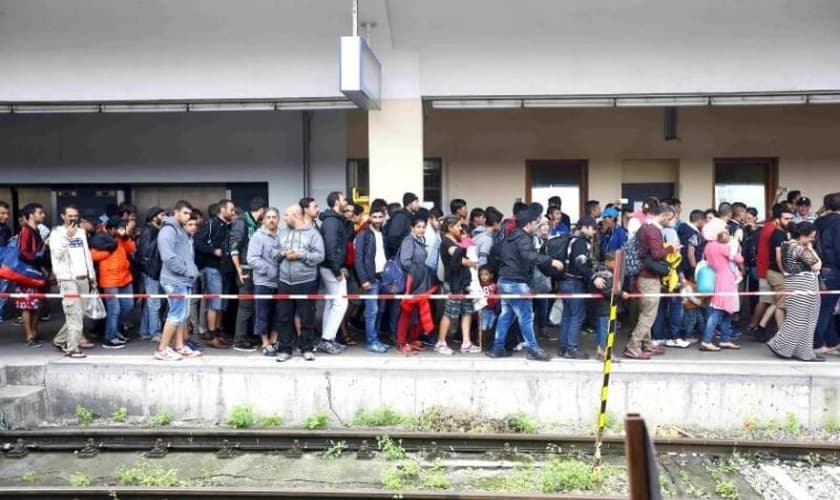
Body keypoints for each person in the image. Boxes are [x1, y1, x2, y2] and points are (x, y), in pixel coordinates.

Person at [487, 205, 563, 361]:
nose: (537, 226)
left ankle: (498, 348)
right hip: (516, 283)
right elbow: (528, 255)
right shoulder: (523, 238)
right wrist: (550, 261)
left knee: (506, 316)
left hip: (504, 281)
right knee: (526, 317)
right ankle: (533, 350)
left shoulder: (510, 237)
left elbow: (495, 252)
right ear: (528, 224)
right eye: (536, 223)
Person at [625, 203, 677, 359]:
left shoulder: (644, 227)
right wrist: (671, 248)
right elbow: (656, 254)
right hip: (649, 277)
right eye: (671, 218)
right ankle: (633, 345)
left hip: (642, 275)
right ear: (665, 215)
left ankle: (647, 344)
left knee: (645, 312)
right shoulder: (654, 231)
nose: (672, 221)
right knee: (649, 314)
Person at [275, 204, 325, 362]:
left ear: (295, 215)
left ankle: (307, 348)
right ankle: (284, 349)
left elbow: (319, 256)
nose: (283, 218)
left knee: (306, 317)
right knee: (283, 317)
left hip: (306, 281)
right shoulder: (281, 233)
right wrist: (281, 253)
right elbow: (273, 253)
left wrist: (300, 255)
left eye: (286, 215)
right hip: (284, 281)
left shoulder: (313, 234)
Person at [767, 222, 823, 361]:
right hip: (803, 285)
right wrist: (811, 249)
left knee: (803, 318)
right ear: (802, 235)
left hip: (795, 284)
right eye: (811, 237)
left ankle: (803, 352)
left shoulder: (786, 245)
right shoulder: (799, 249)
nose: (812, 240)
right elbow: (817, 265)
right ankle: (779, 345)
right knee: (800, 320)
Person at [155, 200, 202, 361]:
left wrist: (190, 272)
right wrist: (187, 271)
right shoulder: (168, 231)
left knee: (182, 315)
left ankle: (179, 346)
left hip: (183, 280)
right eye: (185, 213)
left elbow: (185, 256)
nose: (188, 216)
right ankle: (162, 349)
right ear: (176, 213)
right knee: (176, 314)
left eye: (190, 213)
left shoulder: (180, 230)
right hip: (174, 280)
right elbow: (168, 257)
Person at [50, 204, 97, 358]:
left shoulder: (82, 232)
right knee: (73, 313)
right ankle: (72, 348)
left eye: (75, 215)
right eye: (70, 216)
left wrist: (92, 277)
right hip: (67, 279)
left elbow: (86, 255)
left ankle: (60, 339)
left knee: (80, 313)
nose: (73, 218)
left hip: (83, 277)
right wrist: (67, 236)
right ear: (63, 216)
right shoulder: (57, 233)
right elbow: (57, 254)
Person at [558, 217, 604, 359]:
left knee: (567, 315)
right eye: (593, 228)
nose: (594, 231)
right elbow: (580, 264)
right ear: (584, 227)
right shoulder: (580, 242)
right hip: (574, 283)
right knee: (577, 316)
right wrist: (594, 277)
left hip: (565, 281)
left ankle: (564, 347)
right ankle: (572, 348)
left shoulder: (571, 239)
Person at [90, 217, 137, 349]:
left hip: (125, 277)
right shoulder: (100, 237)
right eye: (120, 228)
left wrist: (126, 237)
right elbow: (93, 256)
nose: (122, 230)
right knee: (114, 309)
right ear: (111, 228)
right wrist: (109, 251)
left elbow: (131, 249)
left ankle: (117, 330)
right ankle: (109, 338)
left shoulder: (122, 238)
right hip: (109, 279)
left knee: (128, 306)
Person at [230, 197, 268, 352]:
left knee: (251, 306)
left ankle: (247, 336)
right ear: (262, 209)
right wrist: (239, 269)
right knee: (245, 306)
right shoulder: (242, 222)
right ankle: (239, 340)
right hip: (245, 269)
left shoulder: (253, 223)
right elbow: (234, 246)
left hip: (252, 269)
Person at [437, 215, 479, 355]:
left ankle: (466, 342)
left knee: (467, 311)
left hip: (464, 281)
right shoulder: (447, 242)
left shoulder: (457, 239)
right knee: (449, 313)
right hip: (454, 282)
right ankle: (441, 342)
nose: (461, 229)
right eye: (458, 226)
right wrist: (472, 263)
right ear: (450, 228)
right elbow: (458, 257)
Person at [194, 199, 234, 344]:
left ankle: (218, 332)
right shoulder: (211, 224)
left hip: (224, 269)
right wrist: (213, 251)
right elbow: (198, 242)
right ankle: (211, 336)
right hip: (212, 268)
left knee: (221, 304)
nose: (233, 212)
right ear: (222, 210)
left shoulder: (228, 226)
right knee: (214, 303)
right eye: (231, 209)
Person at [698, 224, 743, 352]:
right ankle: (707, 341)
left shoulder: (708, 246)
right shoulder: (722, 247)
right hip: (726, 280)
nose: (725, 233)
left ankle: (724, 339)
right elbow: (739, 259)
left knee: (723, 311)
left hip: (716, 278)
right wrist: (737, 247)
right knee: (718, 313)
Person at [396, 214, 436, 354]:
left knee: (417, 312)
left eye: (423, 227)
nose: (421, 229)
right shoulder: (408, 241)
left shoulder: (419, 240)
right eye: (418, 227)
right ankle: (401, 342)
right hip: (412, 282)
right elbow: (405, 262)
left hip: (420, 281)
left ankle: (412, 339)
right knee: (406, 313)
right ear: (412, 227)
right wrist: (419, 272)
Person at [353, 205, 391, 353]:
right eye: (374, 217)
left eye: (380, 217)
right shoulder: (364, 234)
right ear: (370, 217)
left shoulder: (383, 233)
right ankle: (371, 341)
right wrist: (363, 280)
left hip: (383, 276)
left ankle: (376, 339)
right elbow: (358, 259)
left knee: (380, 310)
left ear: (384, 217)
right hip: (371, 278)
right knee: (371, 311)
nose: (377, 220)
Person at [318, 191, 350, 355]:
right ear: (337, 202)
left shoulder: (334, 220)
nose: (345, 201)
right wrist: (337, 270)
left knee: (332, 303)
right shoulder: (332, 222)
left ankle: (327, 338)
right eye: (343, 199)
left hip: (329, 267)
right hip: (332, 268)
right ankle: (327, 339)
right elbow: (330, 247)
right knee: (341, 302)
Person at [246, 207, 281, 356]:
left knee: (279, 313)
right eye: (268, 217)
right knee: (262, 313)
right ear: (263, 219)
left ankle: (274, 340)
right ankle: (265, 342)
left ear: (278, 219)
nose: (272, 220)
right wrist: (269, 270)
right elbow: (252, 259)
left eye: (274, 217)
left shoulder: (283, 234)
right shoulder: (258, 236)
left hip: (281, 282)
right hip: (263, 282)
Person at [16, 203, 49, 347]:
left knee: (37, 305)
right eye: (40, 212)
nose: (43, 215)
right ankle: (29, 335)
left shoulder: (34, 231)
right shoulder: (26, 231)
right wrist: (40, 255)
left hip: (36, 272)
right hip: (28, 273)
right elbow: (24, 253)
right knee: (28, 305)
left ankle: (33, 333)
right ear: (31, 215)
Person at [814, 192, 840, 353]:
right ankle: (816, 343)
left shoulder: (819, 221)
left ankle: (832, 341)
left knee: (826, 306)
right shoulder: (838, 222)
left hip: (820, 268)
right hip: (834, 268)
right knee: (826, 308)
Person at [137, 206, 167, 342]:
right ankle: (155, 332)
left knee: (151, 303)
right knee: (154, 303)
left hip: (155, 271)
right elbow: (146, 251)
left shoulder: (154, 230)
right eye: (162, 215)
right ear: (154, 217)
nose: (165, 217)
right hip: (151, 272)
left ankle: (144, 330)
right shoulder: (149, 231)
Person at [590, 252, 616, 361]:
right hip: (604, 306)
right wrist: (618, 293)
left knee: (605, 329)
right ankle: (602, 351)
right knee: (605, 329)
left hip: (603, 306)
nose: (616, 265)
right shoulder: (605, 273)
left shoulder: (600, 271)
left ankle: (602, 351)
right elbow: (606, 290)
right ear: (607, 262)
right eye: (614, 262)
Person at [385, 192, 420, 258]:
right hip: (400, 258)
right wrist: (404, 252)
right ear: (409, 204)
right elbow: (392, 239)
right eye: (416, 202)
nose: (418, 205)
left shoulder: (409, 216)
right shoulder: (401, 217)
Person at [478, 265, 499, 348]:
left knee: (491, 326)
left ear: (491, 275)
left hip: (493, 309)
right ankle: (480, 341)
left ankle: (488, 342)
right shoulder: (479, 286)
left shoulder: (494, 286)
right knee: (483, 327)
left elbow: (497, 298)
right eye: (481, 274)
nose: (483, 277)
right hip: (484, 309)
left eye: (486, 274)